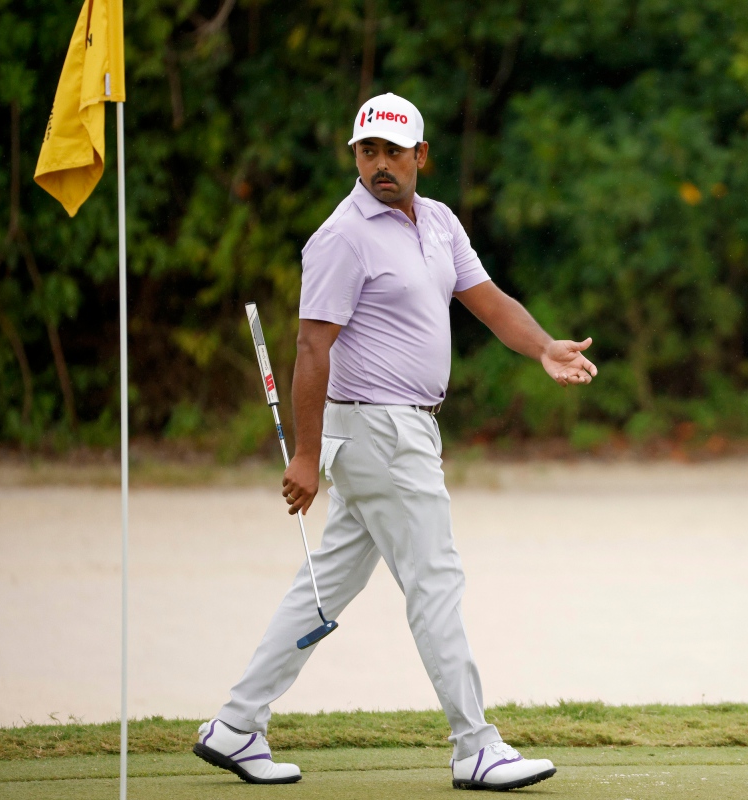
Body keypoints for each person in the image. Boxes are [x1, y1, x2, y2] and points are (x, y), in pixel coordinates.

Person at [192, 92, 596, 791]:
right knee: (435, 579)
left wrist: (541, 348)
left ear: (420, 156)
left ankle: (235, 724)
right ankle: (475, 744)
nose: (380, 164)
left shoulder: (437, 222)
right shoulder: (342, 236)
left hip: (403, 429)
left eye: (393, 151)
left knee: (327, 587)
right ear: (355, 155)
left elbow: (487, 300)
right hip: (379, 430)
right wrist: (304, 456)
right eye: (367, 151)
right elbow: (312, 349)